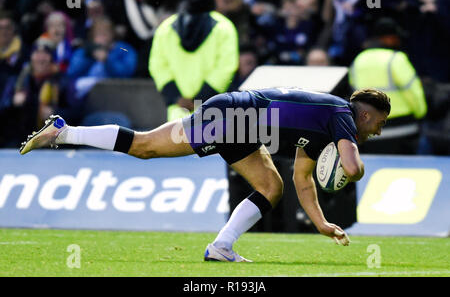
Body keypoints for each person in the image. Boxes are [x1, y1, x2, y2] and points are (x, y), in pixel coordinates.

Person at [19, 87, 390, 262]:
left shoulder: (326, 127)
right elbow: (353, 167)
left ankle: (221, 247)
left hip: (240, 123)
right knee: (146, 147)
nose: (377, 132)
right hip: (232, 118)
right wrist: (352, 169)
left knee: (271, 185)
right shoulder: (342, 114)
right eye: (379, 124)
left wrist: (322, 223)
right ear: (367, 114)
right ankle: (64, 132)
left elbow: (302, 180)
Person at [149, 0, 239, 122]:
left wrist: (176, 97)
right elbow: (226, 68)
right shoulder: (224, 27)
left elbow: (157, 66)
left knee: (177, 143)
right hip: (213, 110)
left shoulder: (165, 28)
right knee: (211, 144)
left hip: (178, 113)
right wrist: (200, 99)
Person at [349, 17, 427, 154]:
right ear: (389, 38)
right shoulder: (396, 58)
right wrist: (421, 114)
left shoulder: (359, 60)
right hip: (403, 129)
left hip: (370, 132)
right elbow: (414, 92)